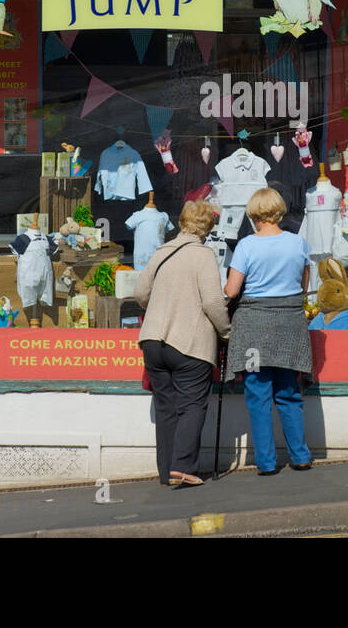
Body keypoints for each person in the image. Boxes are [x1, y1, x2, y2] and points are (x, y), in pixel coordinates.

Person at [136, 200, 231, 488]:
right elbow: (214, 302)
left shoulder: (162, 251)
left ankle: (167, 471)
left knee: (165, 406)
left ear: (181, 222)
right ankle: (183, 467)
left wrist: (158, 307)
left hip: (153, 340)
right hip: (189, 342)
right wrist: (226, 331)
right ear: (207, 227)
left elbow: (140, 292)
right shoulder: (203, 255)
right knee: (192, 404)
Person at [223, 187, 314, 475]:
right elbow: (302, 286)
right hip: (289, 327)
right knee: (288, 392)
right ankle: (300, 456)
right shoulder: (298, 243)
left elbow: (232, 290)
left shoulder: (247, 246)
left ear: (253, 214)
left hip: (253, 330)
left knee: (258, 395)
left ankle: (265, 462)